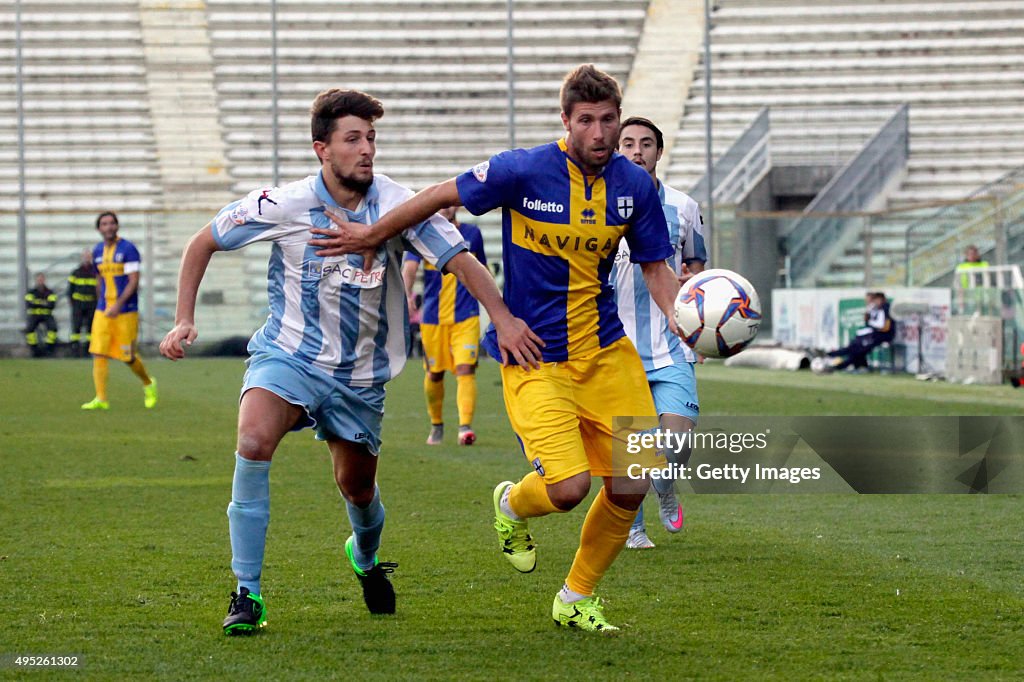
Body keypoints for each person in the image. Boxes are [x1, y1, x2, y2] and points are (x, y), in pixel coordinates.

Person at [310, 65, 682, 632]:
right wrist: (370, 234)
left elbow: (656, 269)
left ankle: (576, 596)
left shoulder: (634, 187)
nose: (602, 133)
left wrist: (687, 320)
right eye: (588, 121)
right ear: (566, 122)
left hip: (607, 353)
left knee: (632, 481)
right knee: (568, 489)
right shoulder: (524, 169)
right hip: (534, 354)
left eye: (609, 120)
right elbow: (438, 195)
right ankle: (511, 506)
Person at [159, 89, 540, 635]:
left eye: (371, 139)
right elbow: (203, 242)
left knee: (357, 490)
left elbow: (461, 260)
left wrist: (501, 317)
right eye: (353, 139)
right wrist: (183, 318)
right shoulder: (282, 204)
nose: (367, 150)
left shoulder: (398, 203)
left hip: (360, 376)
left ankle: (364, 556)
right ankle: (247, 593)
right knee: (252, 442)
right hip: (288, 354)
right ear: (322, 149)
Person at [611, 117, 706, 550]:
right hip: (616, 346)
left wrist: (702, 329)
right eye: (627, 143)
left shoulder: (683, 207)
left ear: (659, 152)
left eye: (646, 144)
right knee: (631, 446)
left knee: (677, 444)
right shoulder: (598, 206)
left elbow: (697, 274)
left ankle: (666, 485)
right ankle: (632, 526)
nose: (636, 151)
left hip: (671, 346)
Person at [402, 206, 487, 446]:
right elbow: (409, 267)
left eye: (450, 203)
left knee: (465, 369)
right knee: (434, 373)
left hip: (466, 314)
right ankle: (437, 425)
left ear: (457, 206)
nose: (446, 208)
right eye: (441, 204)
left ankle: (465, 428)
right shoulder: (422, 234)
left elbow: (481, 270)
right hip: (433, 318)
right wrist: (407, 295)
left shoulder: (472, 234)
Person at [81, 212, 158, 410]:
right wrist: (102, 302)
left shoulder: (128, 249)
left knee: (128, 356)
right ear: (99, 228)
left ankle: (148, 383)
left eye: (111, 223)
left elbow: (134, 280)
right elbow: (99, 279)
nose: (108, 227)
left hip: (126, 310)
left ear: (117, 226)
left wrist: (118, 304)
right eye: (104, 224)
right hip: (103, 310)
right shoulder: (97, 251)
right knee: (99, 352)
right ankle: (101, 398)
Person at [824, 292, 895, 372]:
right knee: (854, 347)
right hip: (874, 335)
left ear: (883, 300)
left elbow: (882, 326)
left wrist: (869, 321)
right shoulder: (877, 309)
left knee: (858, 349)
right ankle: (831, 356)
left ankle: (836, 363)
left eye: (877, 300)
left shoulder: (885, 308)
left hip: (882, 336)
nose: (876, 302)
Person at [67, 248, 98, 357]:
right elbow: (70, 290)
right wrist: (73, 303)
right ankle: (75, 351)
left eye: (88, 256)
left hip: (91, 304)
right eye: (85, 256)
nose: (86, 258)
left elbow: (99, 288)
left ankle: (87, 351)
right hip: (78, 305)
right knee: (76, 328)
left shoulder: (95, 272)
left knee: (91, 329)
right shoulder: (75, 273)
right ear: (81, 258)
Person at [24, 272, 58, 357]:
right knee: (29, 329)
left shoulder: (50, 292)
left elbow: (52, 305)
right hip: (34, 315)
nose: (40, 281)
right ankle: (34, 349)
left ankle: (49, 349)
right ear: (36, 280)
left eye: (42, 279)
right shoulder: (31, 292)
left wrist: (36, 302)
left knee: (53, 328)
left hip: (47, 315)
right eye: (39, 279)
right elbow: (29, 304)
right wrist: (44, 303)